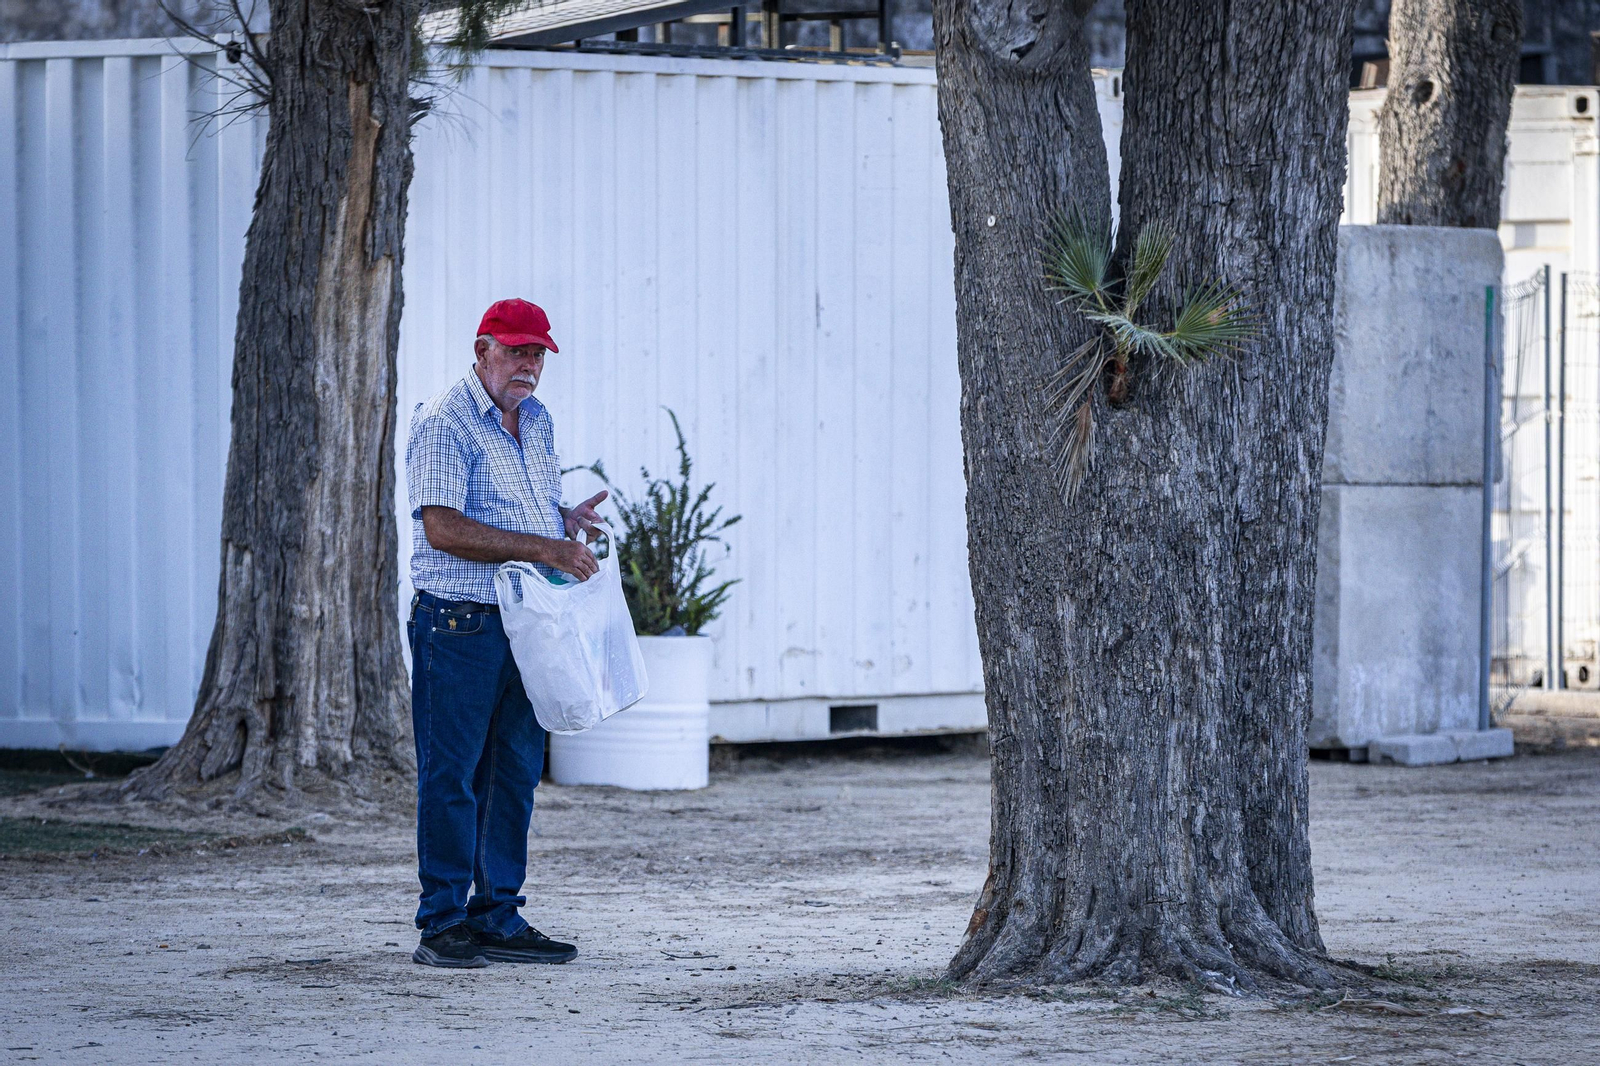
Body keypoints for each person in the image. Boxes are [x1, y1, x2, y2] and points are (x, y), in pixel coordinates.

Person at [404, 298, 607, 968]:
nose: (528, 365)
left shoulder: (537, 421)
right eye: (516, 350)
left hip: (526, 625)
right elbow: (445, 527)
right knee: (452, 775)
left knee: (515, 773)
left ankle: (497, 916)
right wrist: (547, 552)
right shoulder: (444, 421)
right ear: (482, 348)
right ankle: (441, 924)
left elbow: (512, 502)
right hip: (458, 623)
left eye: (538, 353)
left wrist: (560, 518)